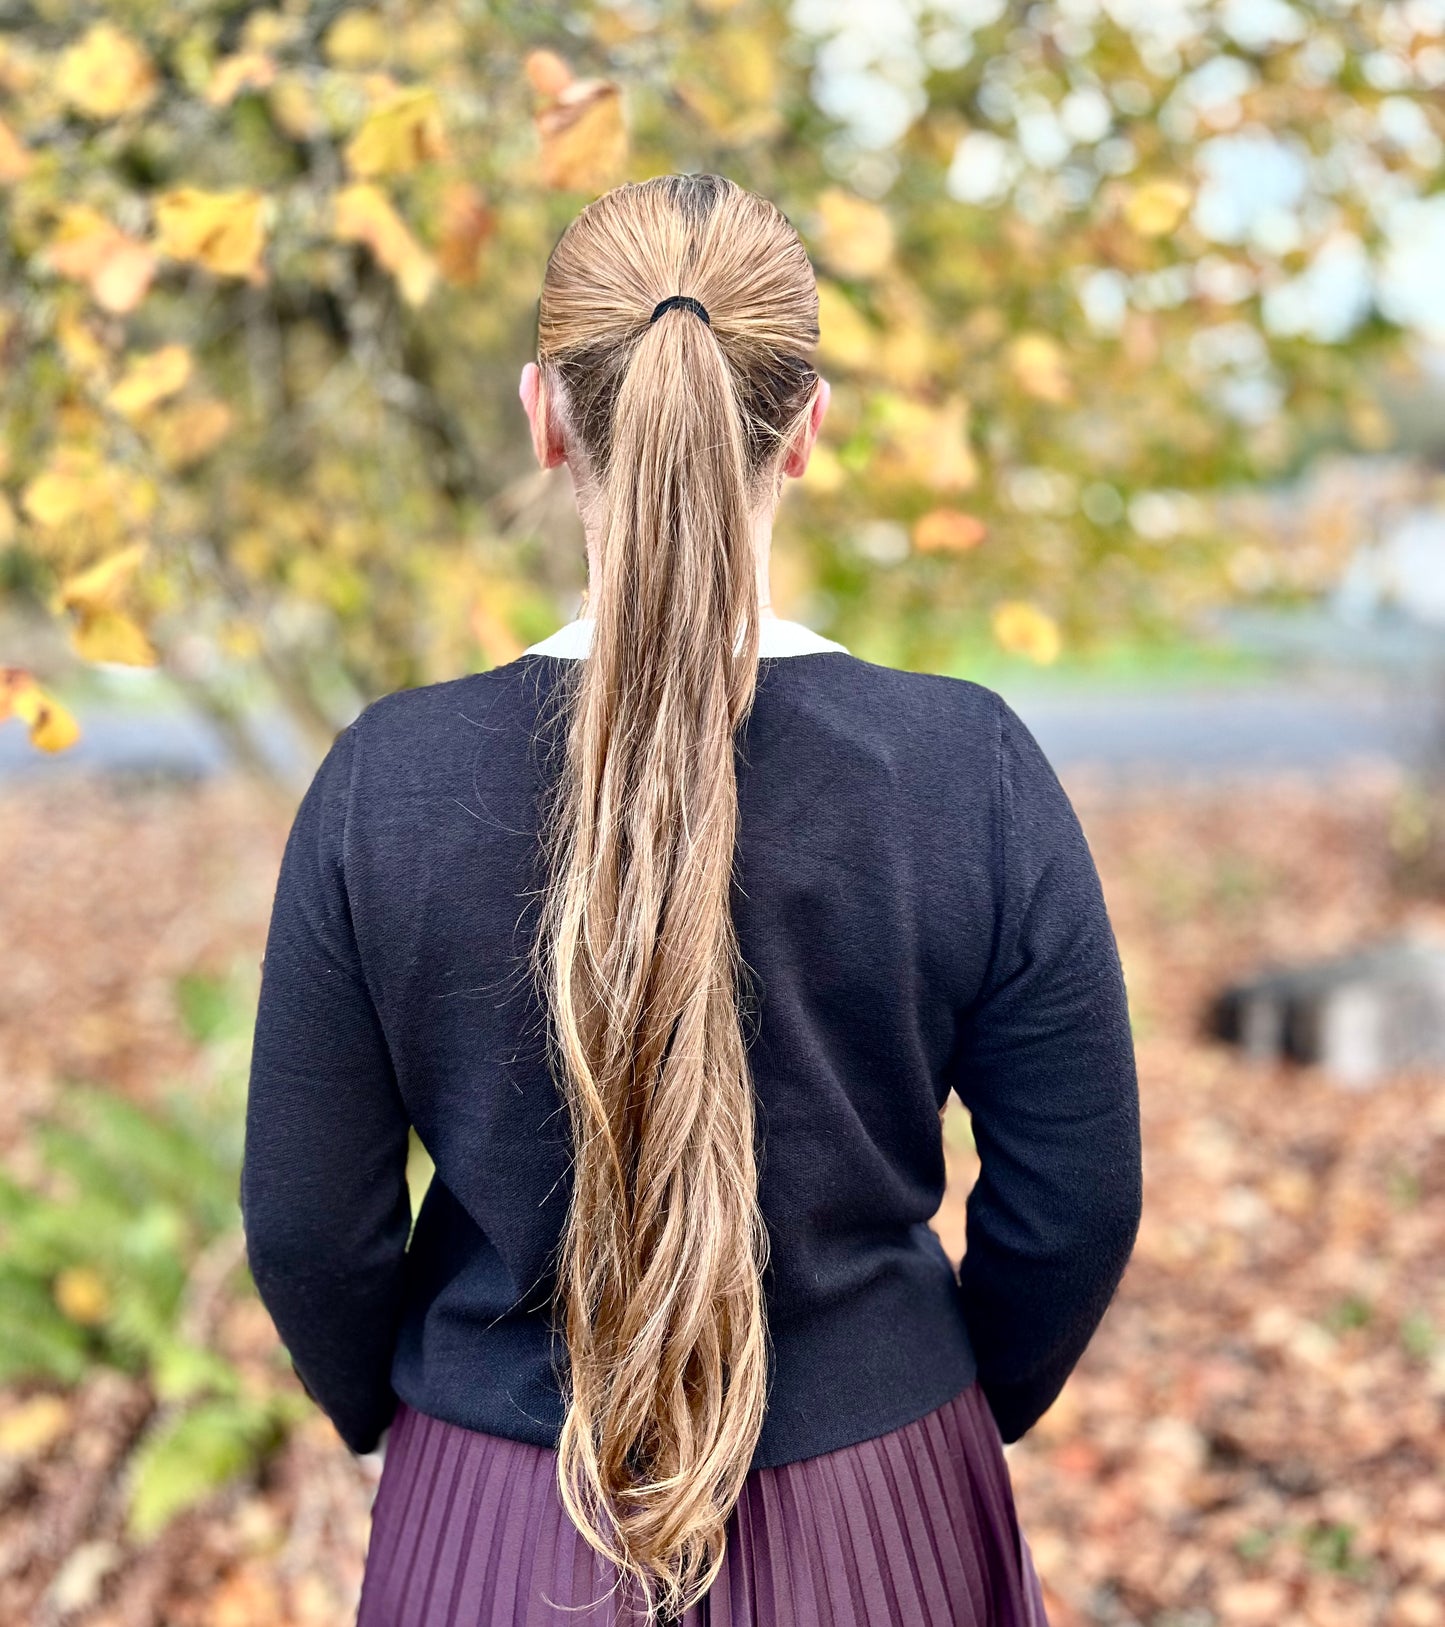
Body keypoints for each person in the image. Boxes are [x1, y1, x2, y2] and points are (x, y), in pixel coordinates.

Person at [241, 173, 1142, 1627]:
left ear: (546, 415)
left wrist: (410, 1413)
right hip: (879, 1510)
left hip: (495, 1513)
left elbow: (305, 1225)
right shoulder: (962, 765)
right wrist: (922, 1391)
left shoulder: (384, 781)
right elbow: (1076, 1203)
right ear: (805, 428)